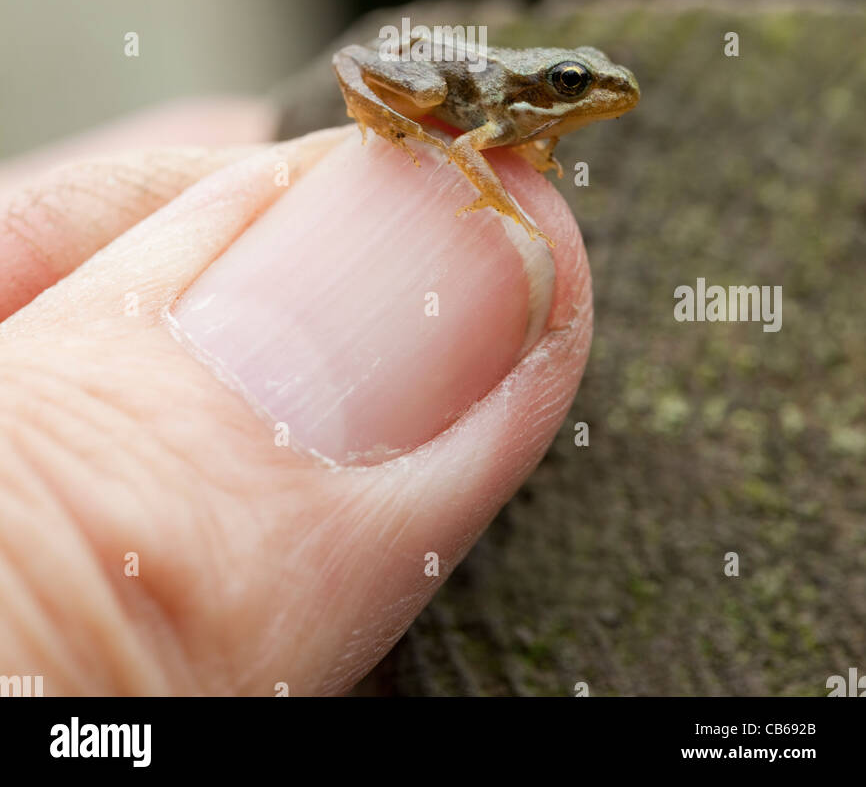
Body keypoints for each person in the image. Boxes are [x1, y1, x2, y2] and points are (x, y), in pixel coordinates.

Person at [0, 98, 590, 695]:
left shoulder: (530, 118)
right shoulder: (493, 110)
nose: (590, 99)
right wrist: (481, 191)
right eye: (571, 84)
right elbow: (463, 147)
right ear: (535, 93)